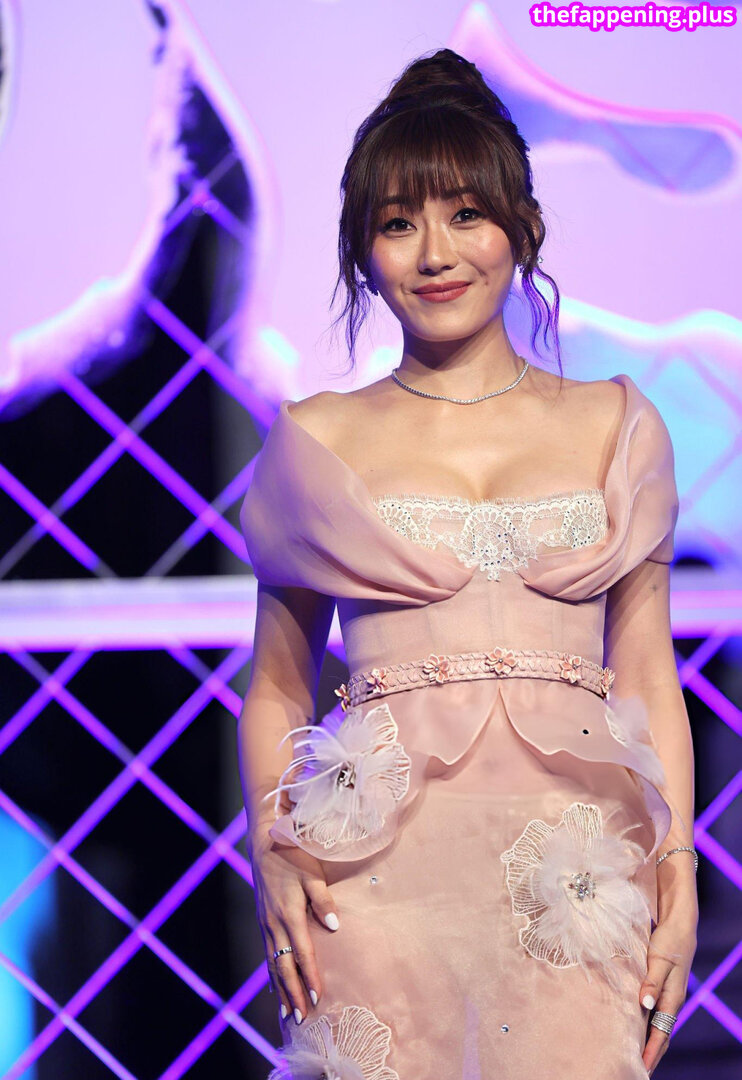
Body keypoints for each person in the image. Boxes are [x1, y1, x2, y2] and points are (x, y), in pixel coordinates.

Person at [236, 48, 698, 1080]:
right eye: (398, 223)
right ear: (362, 252)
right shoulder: (317, 443)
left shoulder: (616, 427)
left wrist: (678, 866)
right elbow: (276, 685)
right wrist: (270, 849)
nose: (435, 253)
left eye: (466, 214)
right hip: (374, 882)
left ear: (521, 228)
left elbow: (647, 671)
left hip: (576, 877)